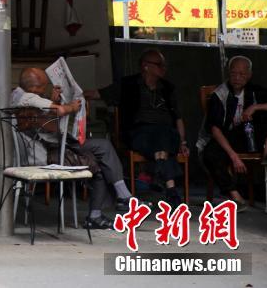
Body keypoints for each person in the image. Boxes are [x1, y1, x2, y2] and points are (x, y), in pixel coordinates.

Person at [13, 68, 132, 229]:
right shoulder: (27, 97)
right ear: (34, 88)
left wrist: (51, 99)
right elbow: (60, 111)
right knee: (100, 154)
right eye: (43, 87)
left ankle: (120, 199)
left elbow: (41, 117)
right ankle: (115, 203)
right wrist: (72, 107)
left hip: (43, 148)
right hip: (45, 154)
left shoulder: (16, 95)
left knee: (100, 151)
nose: (44, 91)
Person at [85, 49, 188, 206]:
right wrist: (75, 93)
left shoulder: (168, 88)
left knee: (164, 133)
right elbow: (97, 94)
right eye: (159, 65)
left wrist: (183, 142)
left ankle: (159, 174)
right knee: (161, 140)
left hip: (167, 133)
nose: (164, 68)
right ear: (146, 66)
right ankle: (170, 189)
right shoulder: (128, 84)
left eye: (164, 65)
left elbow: (178, 118)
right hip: (140, 132)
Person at [197, 56, 267, 209]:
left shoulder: (255, 91)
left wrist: (256, 107)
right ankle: (237, 197)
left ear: (249, 75)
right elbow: (215, 129)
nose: (237, 78)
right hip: (230, 138)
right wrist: (234, 156)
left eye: (242, 74)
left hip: (258, 138)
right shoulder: (220, 95)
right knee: (210, 153)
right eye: (233, 74)